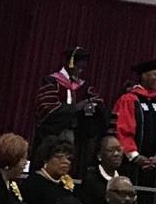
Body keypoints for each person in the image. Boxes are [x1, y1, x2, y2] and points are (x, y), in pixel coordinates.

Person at [113, 58, 156, 204]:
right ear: (144, 76)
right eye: (155, 74)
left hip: (155, 165)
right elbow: (122, 130)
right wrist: (135, 157)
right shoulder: (128, 100)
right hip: (131, 166)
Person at [32, 47, 107, 176]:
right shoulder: (52, 81)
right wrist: (76, 108)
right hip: (53, 136)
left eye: (83, 68)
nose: (80, 71)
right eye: (78, 67)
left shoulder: (84, 86)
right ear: (69, 64)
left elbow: (98, 101)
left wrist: (91, 107)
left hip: (77, 138)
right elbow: (47, 108)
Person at [21, 137, 77, 204]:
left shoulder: (65, 185)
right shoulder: (33, 184)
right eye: (59, 157)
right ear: (46, 159)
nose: (66, 162)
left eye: (69, 158)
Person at [77, 135, 123, 204]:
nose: (116, 154)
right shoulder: (90, 179)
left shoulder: (124, 178)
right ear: (99, 156)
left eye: (119, 150)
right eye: (111, 150)